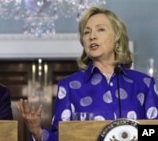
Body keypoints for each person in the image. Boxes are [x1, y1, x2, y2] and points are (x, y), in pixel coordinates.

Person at [17, 6, 158, 141]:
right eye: (87, 32)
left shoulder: (144, 84)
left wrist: (129, 134)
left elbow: (153, 133)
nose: (92, 36)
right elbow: (62, 137)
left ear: (117, 38)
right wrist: (37, 131)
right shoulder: (69, 86)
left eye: (100, 30)